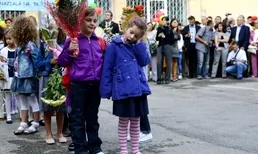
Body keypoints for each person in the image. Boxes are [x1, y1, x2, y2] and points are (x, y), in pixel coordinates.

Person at [100, 17, 150, 154]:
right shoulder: (114, 46)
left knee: (135, 122)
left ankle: (135, 150)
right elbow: (107, 68)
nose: (132, 36)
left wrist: (139, 44)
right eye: (131, 32)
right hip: (122, 88)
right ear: (126, 28)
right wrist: (106, 90)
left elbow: (145, 61)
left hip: (138, 89)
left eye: (136, 36)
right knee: (123, 122)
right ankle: (123, 150)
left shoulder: (138, 45)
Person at [57, 8, 104, 154]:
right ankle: (80, 148)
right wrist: (69, 51)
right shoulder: (73, 40)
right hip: (78, 85)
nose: (92, 23)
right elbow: (62, 61)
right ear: (80, 21)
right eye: (88, 20)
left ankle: (95, 147)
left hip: (95, 85)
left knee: (92, 118)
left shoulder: (100, 42)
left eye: (95, 21)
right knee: (77, 119)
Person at [11, 16, 41, 135]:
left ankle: (35, 122)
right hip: (19, 76)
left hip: (29, 77)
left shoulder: (30, 45)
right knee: (22, 100)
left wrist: (37, 74)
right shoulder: (19, 46)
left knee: (32, 99)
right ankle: (23, 122)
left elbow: (36, 60)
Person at [0, 31, 17, 124]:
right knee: (7, 96)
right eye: (6, 39)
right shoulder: (3, 51)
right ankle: (9, 115)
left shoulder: (18, 50)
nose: (8, 41)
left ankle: (22, 115)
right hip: (7, 77)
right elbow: (1, 64)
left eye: (10, 39)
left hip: (16, 76)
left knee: (18, 96)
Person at [156, 17, 175, 84]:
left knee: (168, 62)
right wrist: (159, 35)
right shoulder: (159, 28)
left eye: (164, 20)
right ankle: (159, 79)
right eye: (162, 20)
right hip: (160, 46)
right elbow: (157, 39)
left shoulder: (170, 29)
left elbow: (172, 40)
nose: (163, 21)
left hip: (168, 46)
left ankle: (167, 79)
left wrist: (165, 37)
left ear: (167, 21)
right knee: (159, 62)